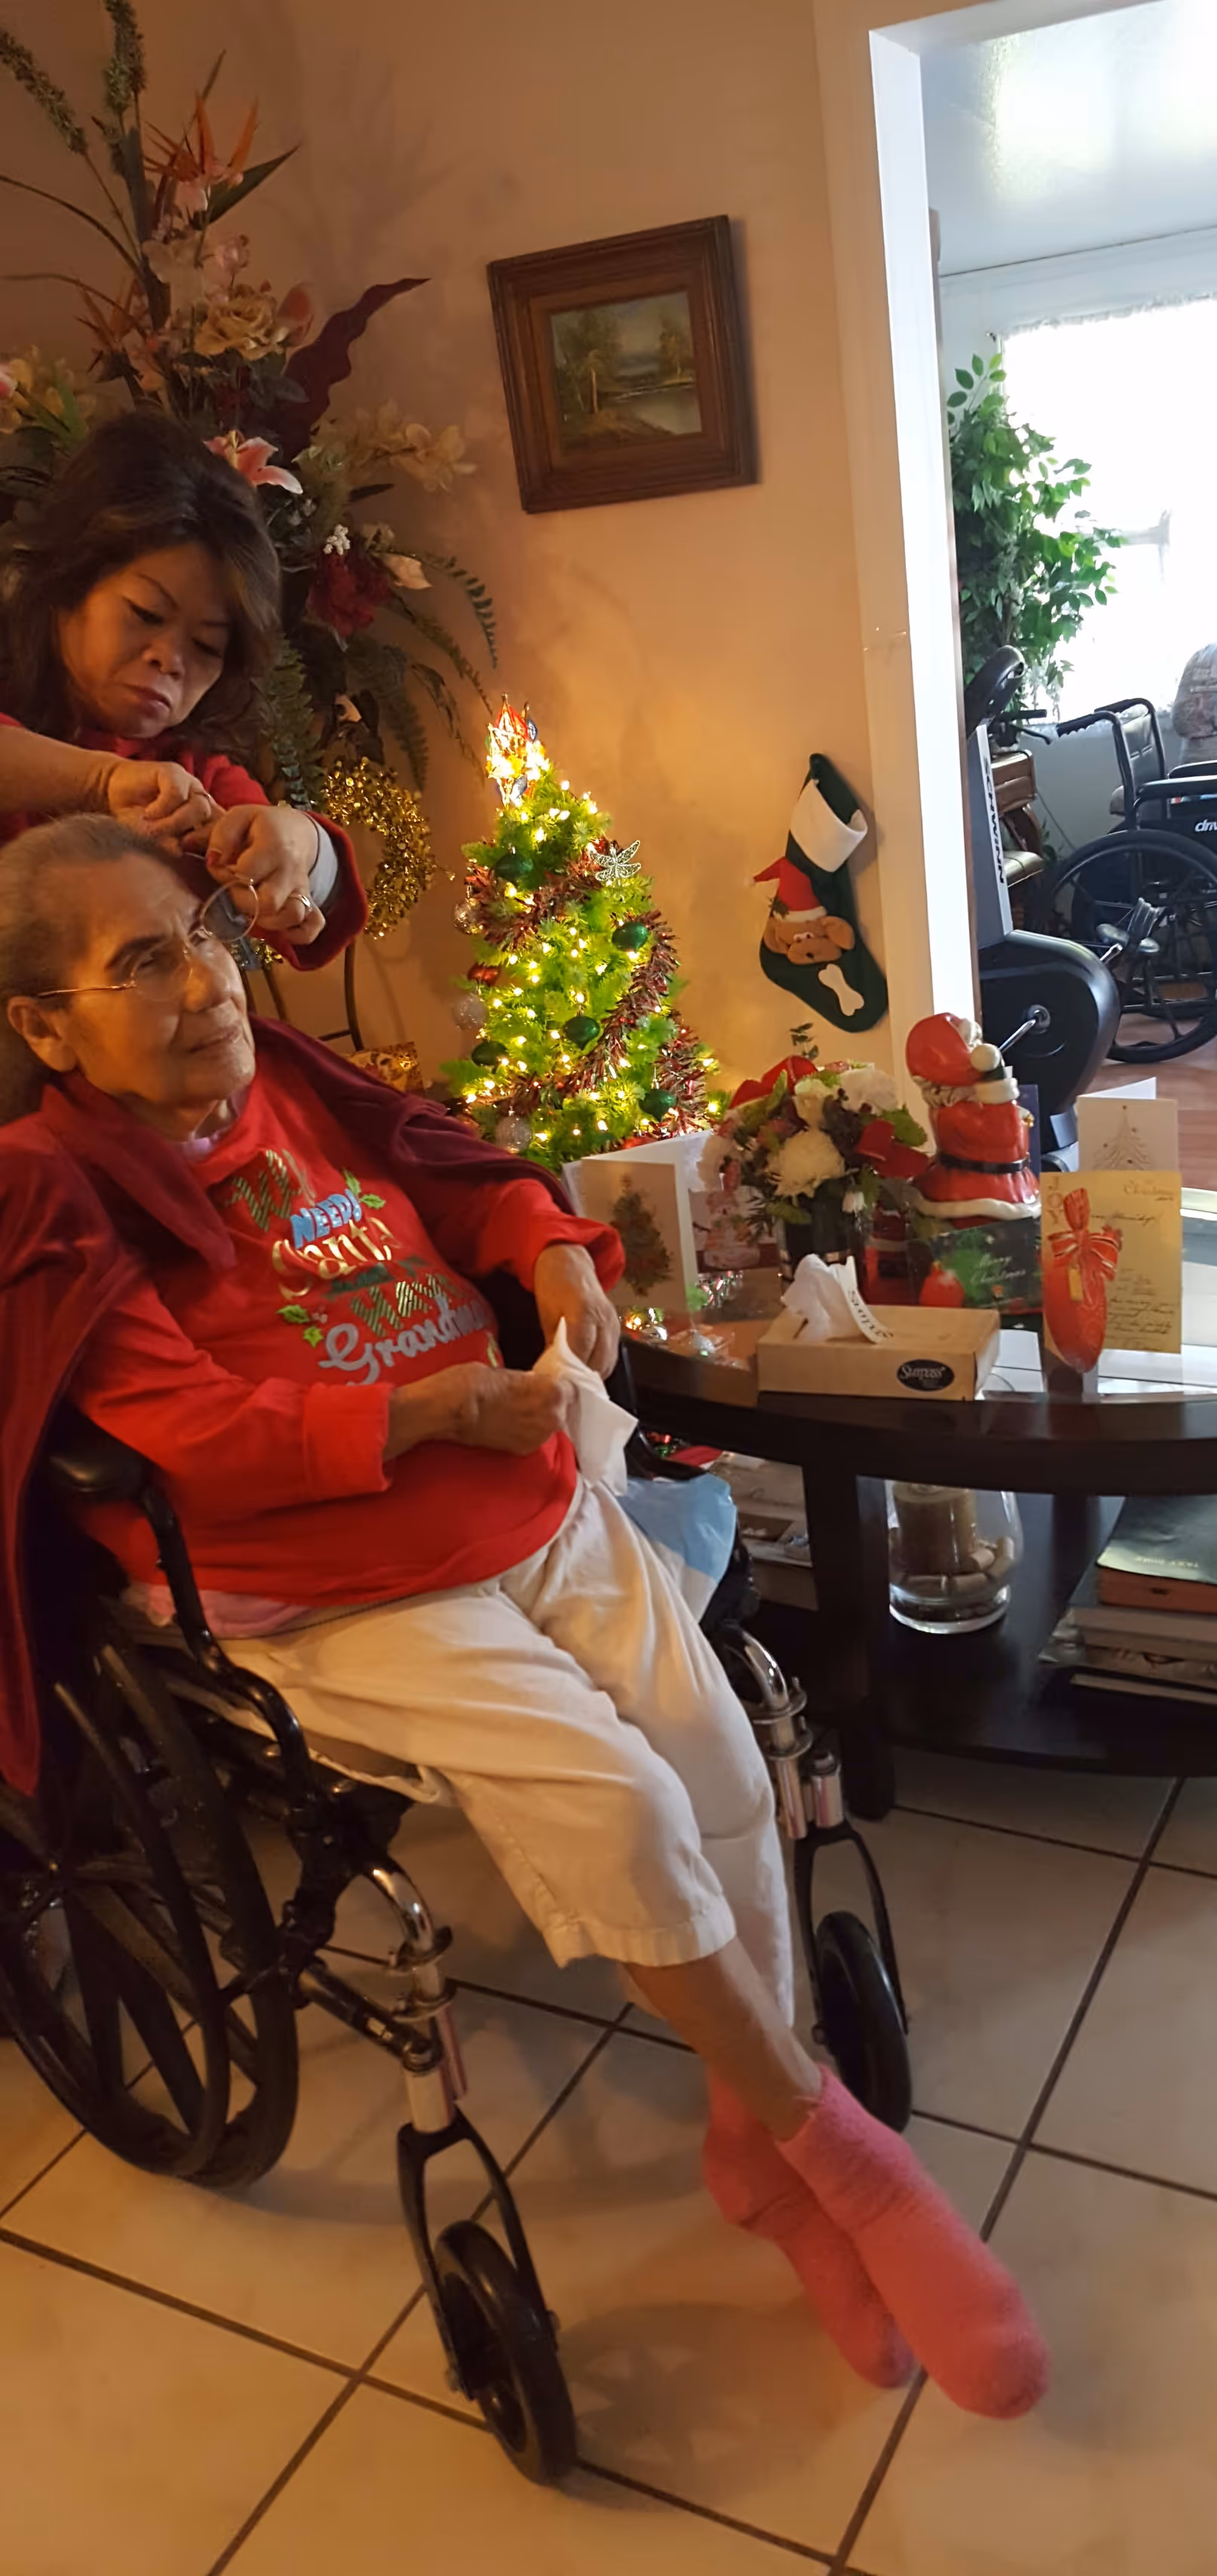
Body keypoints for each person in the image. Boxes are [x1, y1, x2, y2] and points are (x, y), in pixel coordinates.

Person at [0, 815, 1048, 2424]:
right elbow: (191, 1429)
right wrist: (430, 1411)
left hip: (519, 1486)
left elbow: (462, 1169)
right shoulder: (50, 1186)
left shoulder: (282, 1071)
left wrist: (553, 1254)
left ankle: (743, 2141)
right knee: (618, 1798)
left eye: (205, 932)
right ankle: (830, 2146)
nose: (205, 977)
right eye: (143, 959)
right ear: (44, 1027)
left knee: (714, 1749)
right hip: (324, 1578)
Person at [0, 410, 364, 964]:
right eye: (145, 613)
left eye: (206, 647)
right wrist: (104, 781)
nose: (168, 660)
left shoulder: (193, 779)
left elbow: (315, 900)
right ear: (66, 585)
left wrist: (298, 846)